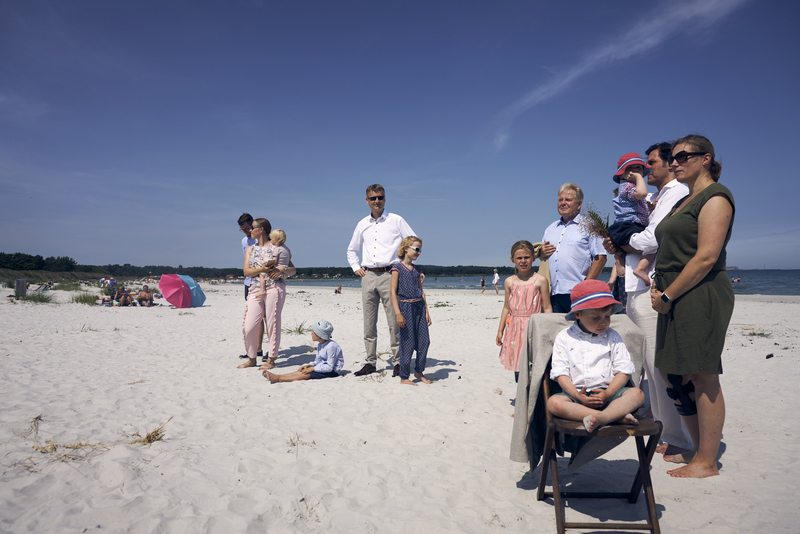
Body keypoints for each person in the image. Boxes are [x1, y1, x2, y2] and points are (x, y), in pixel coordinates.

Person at [650, 135, 734, 478]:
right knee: (674, 373)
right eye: (672, 157)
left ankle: (707, 461)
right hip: (672, 293)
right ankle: (696, 449)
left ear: (705, 158)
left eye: (683, 156)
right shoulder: (683, 201)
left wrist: (668, 296)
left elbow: (706, 257)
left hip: (699, 292)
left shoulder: (716, 196)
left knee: (702, 373)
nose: (674, 162)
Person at [603, 142, 693, 458]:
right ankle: (659, 424)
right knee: (646, 363)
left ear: (669, 164)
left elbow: (653, 238)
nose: (647, 168)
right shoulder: (655, 197)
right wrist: (620, 245)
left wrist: (623, 241)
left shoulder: (676, 193)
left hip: (652, 287)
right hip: (636, 286)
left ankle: (676, 435)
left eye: (651, 163)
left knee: (658, 364)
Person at [547, 280, 645, 433]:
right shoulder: (564, 337)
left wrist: (608, 394)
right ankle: (610, 417)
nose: (603, 322)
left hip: (609, 393)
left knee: (637, 394)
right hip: (577, 395)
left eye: (607, 316)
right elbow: (561, 373)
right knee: (554, 403)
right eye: (596, 318)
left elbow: (623, 370)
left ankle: (603, 416)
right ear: (578, 314)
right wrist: (576, 396)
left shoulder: (612, 336)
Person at [346, 184, 416, 377]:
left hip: (390, 274)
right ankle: (370, 362)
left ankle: (399, 362)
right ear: (367, 201)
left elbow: (413, 242)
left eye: (380, 197)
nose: (377, 201)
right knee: (369, 323)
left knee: (395, 322)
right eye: (373, 198)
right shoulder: (362, 224)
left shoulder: (396, 220)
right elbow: (352, 249)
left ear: (385, 199)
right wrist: (356, 268)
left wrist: (404, 266)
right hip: (368, 276)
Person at [539, 183, 607, 313]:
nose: (563, 203)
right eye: (560, 200)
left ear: (579, 204)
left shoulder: (590, 225)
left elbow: (601, 257)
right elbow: (543, 257)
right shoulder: (551, 228)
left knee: (579, 332)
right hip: (552, 293)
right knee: (556, 332)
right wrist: (541, 253)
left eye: (568, 200)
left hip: (578, 293)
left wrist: (586, 286)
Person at [239, 218, 295, 370]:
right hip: (255, 288)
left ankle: (271, 359)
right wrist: (263, 270)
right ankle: (252, 358)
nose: (250, 230)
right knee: (248, 326)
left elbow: (292, 270)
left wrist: (281, 269)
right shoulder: (251, 249)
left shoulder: (277, 247)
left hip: (274, 288)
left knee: (273, 323)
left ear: (261, 229)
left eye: (253, 227)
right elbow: (246, 272)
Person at [496, 240, 552, 383]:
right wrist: (500, 330)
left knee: (533, 364)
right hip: (514, 328)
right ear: (512, 260)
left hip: (533, 326)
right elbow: (506, 307)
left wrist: (548, 330)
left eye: (526, 257)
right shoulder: (509, 281)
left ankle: (534, 398)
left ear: (533, 258)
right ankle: (522, 397)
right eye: (519, 258)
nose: (523, 261)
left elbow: (546, 307)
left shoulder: (540, 280)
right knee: (517, 363)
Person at [390, 236, 432, 386]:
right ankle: (404, 377)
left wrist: (427, 311)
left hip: (419, 307)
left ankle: (419, 371)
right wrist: (398, 313)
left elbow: (421, 291)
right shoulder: (397, 268)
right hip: (405, 308)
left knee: (424, 342)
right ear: (406, 249)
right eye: (416, 249)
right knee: (407, 343)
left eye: (420, 250)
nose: (419, 252)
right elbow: (392, 292)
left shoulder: (417, 269)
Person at [609, 153, 654, 286]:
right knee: (653, 245)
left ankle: (620, 259)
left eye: (639, 168)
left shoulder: (633, 188)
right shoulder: (626, 187)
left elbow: (640, 202)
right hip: (628, 225)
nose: (635, 171)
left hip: (630, 225)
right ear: (622, 175)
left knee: (635, 245)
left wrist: (650, 206)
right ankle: (640, 268)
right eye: (630, 168)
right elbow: (641, 194)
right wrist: (639, 177)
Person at [263, 320, 344, 383]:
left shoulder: (331, 347)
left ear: (320, 336)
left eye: (313, 332)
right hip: (322, 366)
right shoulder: (320, 344)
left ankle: (279, 379)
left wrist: (313, 369)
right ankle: (278, 376)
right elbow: (318, 361)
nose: (311, 334)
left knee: (307, 374)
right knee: (302, 371)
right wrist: (309, 365)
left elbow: (329, 367)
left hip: (332, 371)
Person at [237, 213, 264, 361]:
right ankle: (253, 350)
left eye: (248, 228)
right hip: (249, 282)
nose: (246, 232)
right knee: (252, 316)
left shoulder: (262, 238)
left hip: (263, 281)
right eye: (243, 229)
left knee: (265, 316)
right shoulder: (244, 241)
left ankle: (260, 349)